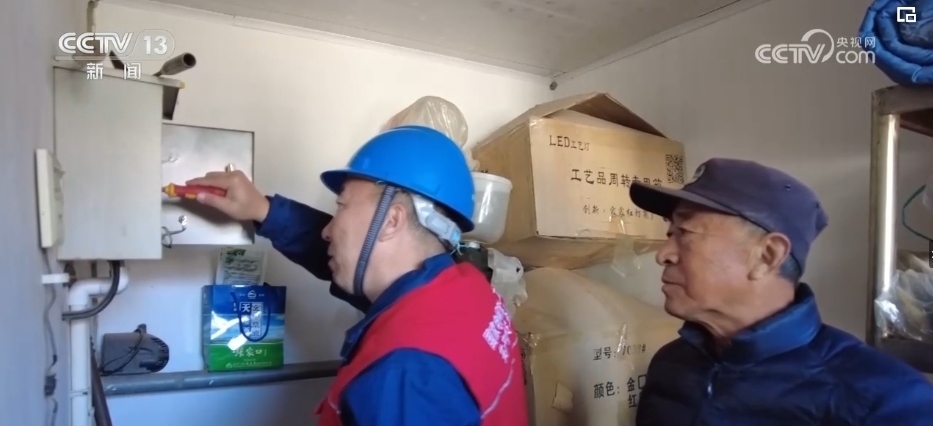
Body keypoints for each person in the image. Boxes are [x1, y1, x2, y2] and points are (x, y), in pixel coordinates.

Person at [187, 125, 527, 426]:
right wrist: (263, 209)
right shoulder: (467, 290)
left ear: (391, 221)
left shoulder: (403, 376)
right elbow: (346, 257)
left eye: (341, 206)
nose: (327, 231)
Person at [628, 157, 933, 425]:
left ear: (767, 255)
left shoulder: (885, 400)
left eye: (685, 233)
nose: (664, 254)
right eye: (670, 233)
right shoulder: (671, 365)